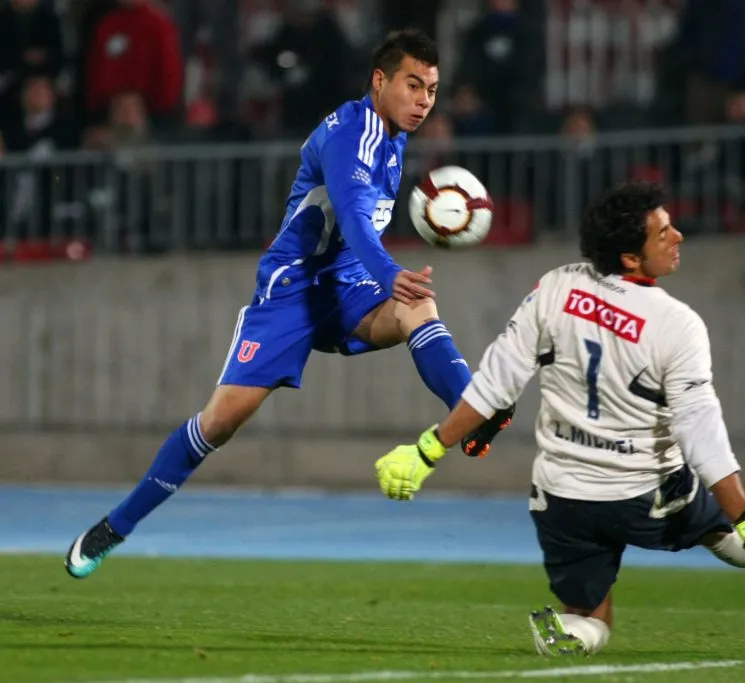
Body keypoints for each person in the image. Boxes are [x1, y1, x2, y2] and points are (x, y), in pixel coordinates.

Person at [64, 28, 514, 579]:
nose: (424, 101)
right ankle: (116, 526)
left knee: (419, 306)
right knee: (220, 423)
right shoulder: (353, 136)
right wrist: (391, 272)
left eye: (433, 90)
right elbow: (351, 217)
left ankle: (473, 412)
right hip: (293, 291)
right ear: (380, 81)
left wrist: (388, 279)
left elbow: (355, 232)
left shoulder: (393, 138)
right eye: (413, 85)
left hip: (347, 284)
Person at [371, 182, 745, 656]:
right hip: (646, 496)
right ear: (630, 259)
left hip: (562, 500)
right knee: (731, 536)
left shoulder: (555, 286)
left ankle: (572, 631)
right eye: (663, 233)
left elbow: (495, 385)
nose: (678, 236)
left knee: (591, 619)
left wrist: (427, 450)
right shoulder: (676, 324)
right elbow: (700, 433)